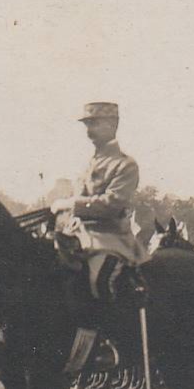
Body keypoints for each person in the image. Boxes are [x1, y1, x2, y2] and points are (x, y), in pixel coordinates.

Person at [50, 102, 147, 306]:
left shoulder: (125, 164)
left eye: (94, 124)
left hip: (110, 239)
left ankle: (111, 336)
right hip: (78, 234)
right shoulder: (89, 163)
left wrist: (71, 204)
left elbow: (112, 204)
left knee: (100, 282)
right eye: (87, 125)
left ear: (113, 125)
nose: (88, 130)